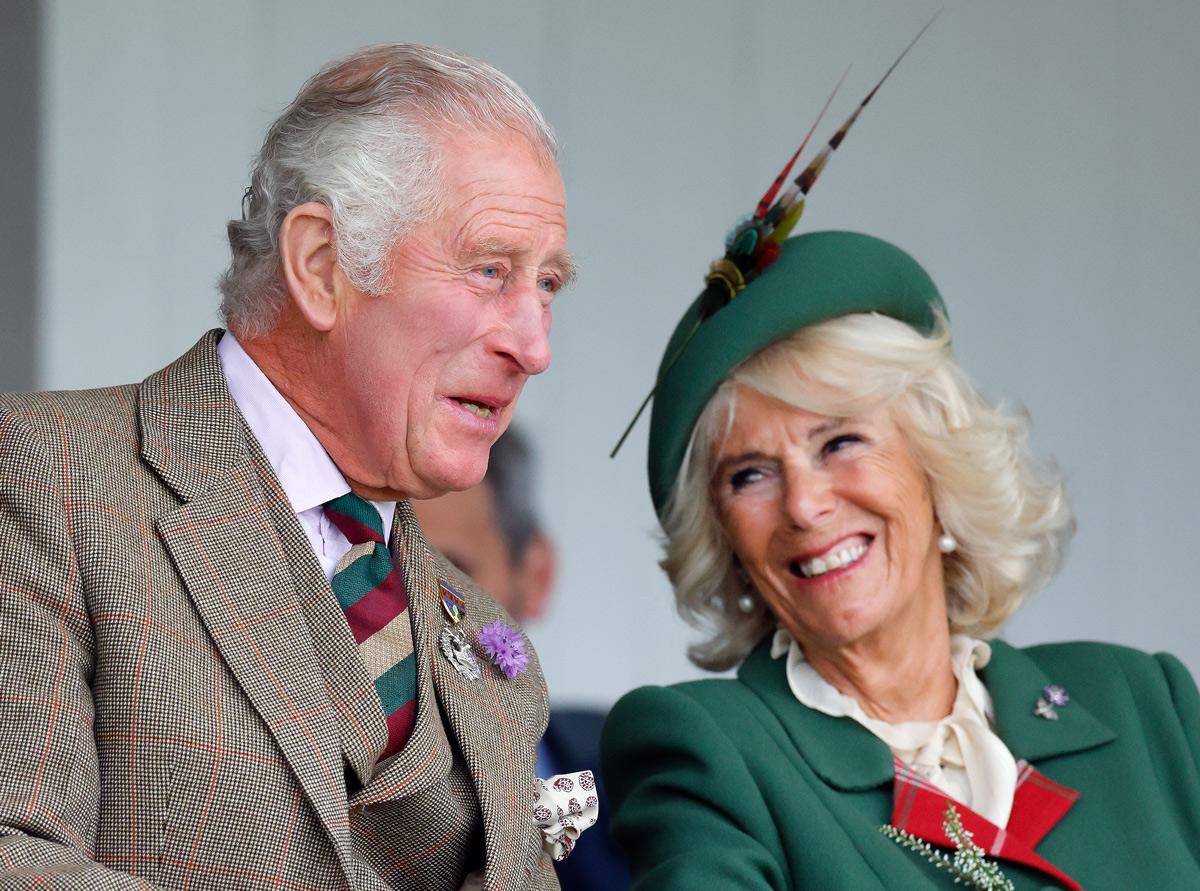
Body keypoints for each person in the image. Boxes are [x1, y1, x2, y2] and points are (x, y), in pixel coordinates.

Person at [0, 43, 574, 891]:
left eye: (548, 284)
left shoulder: (490, 643)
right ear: (319, 266)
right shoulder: (47, 473)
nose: (533, 346)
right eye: (491, 271)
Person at [601, 226, 1200, 888]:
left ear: (936, 465)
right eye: (749, 475)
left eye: (840, 441)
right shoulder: (710, 754)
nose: (804, 504)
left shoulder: (1145, 703)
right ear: (725, 539)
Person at [412, 427, 631, 891]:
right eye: (375, 568)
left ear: (536, 576)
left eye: (449, 574)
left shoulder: (635, 774)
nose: (404, 607)